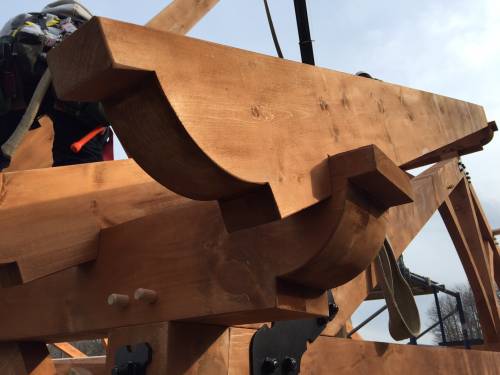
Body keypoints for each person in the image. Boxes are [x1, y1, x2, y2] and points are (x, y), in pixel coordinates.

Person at [0, 0, 111, 170]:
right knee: (77, 166)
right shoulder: (94, 36)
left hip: (21, 82)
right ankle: (76, 190)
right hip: (74, 93)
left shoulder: (28, 20)